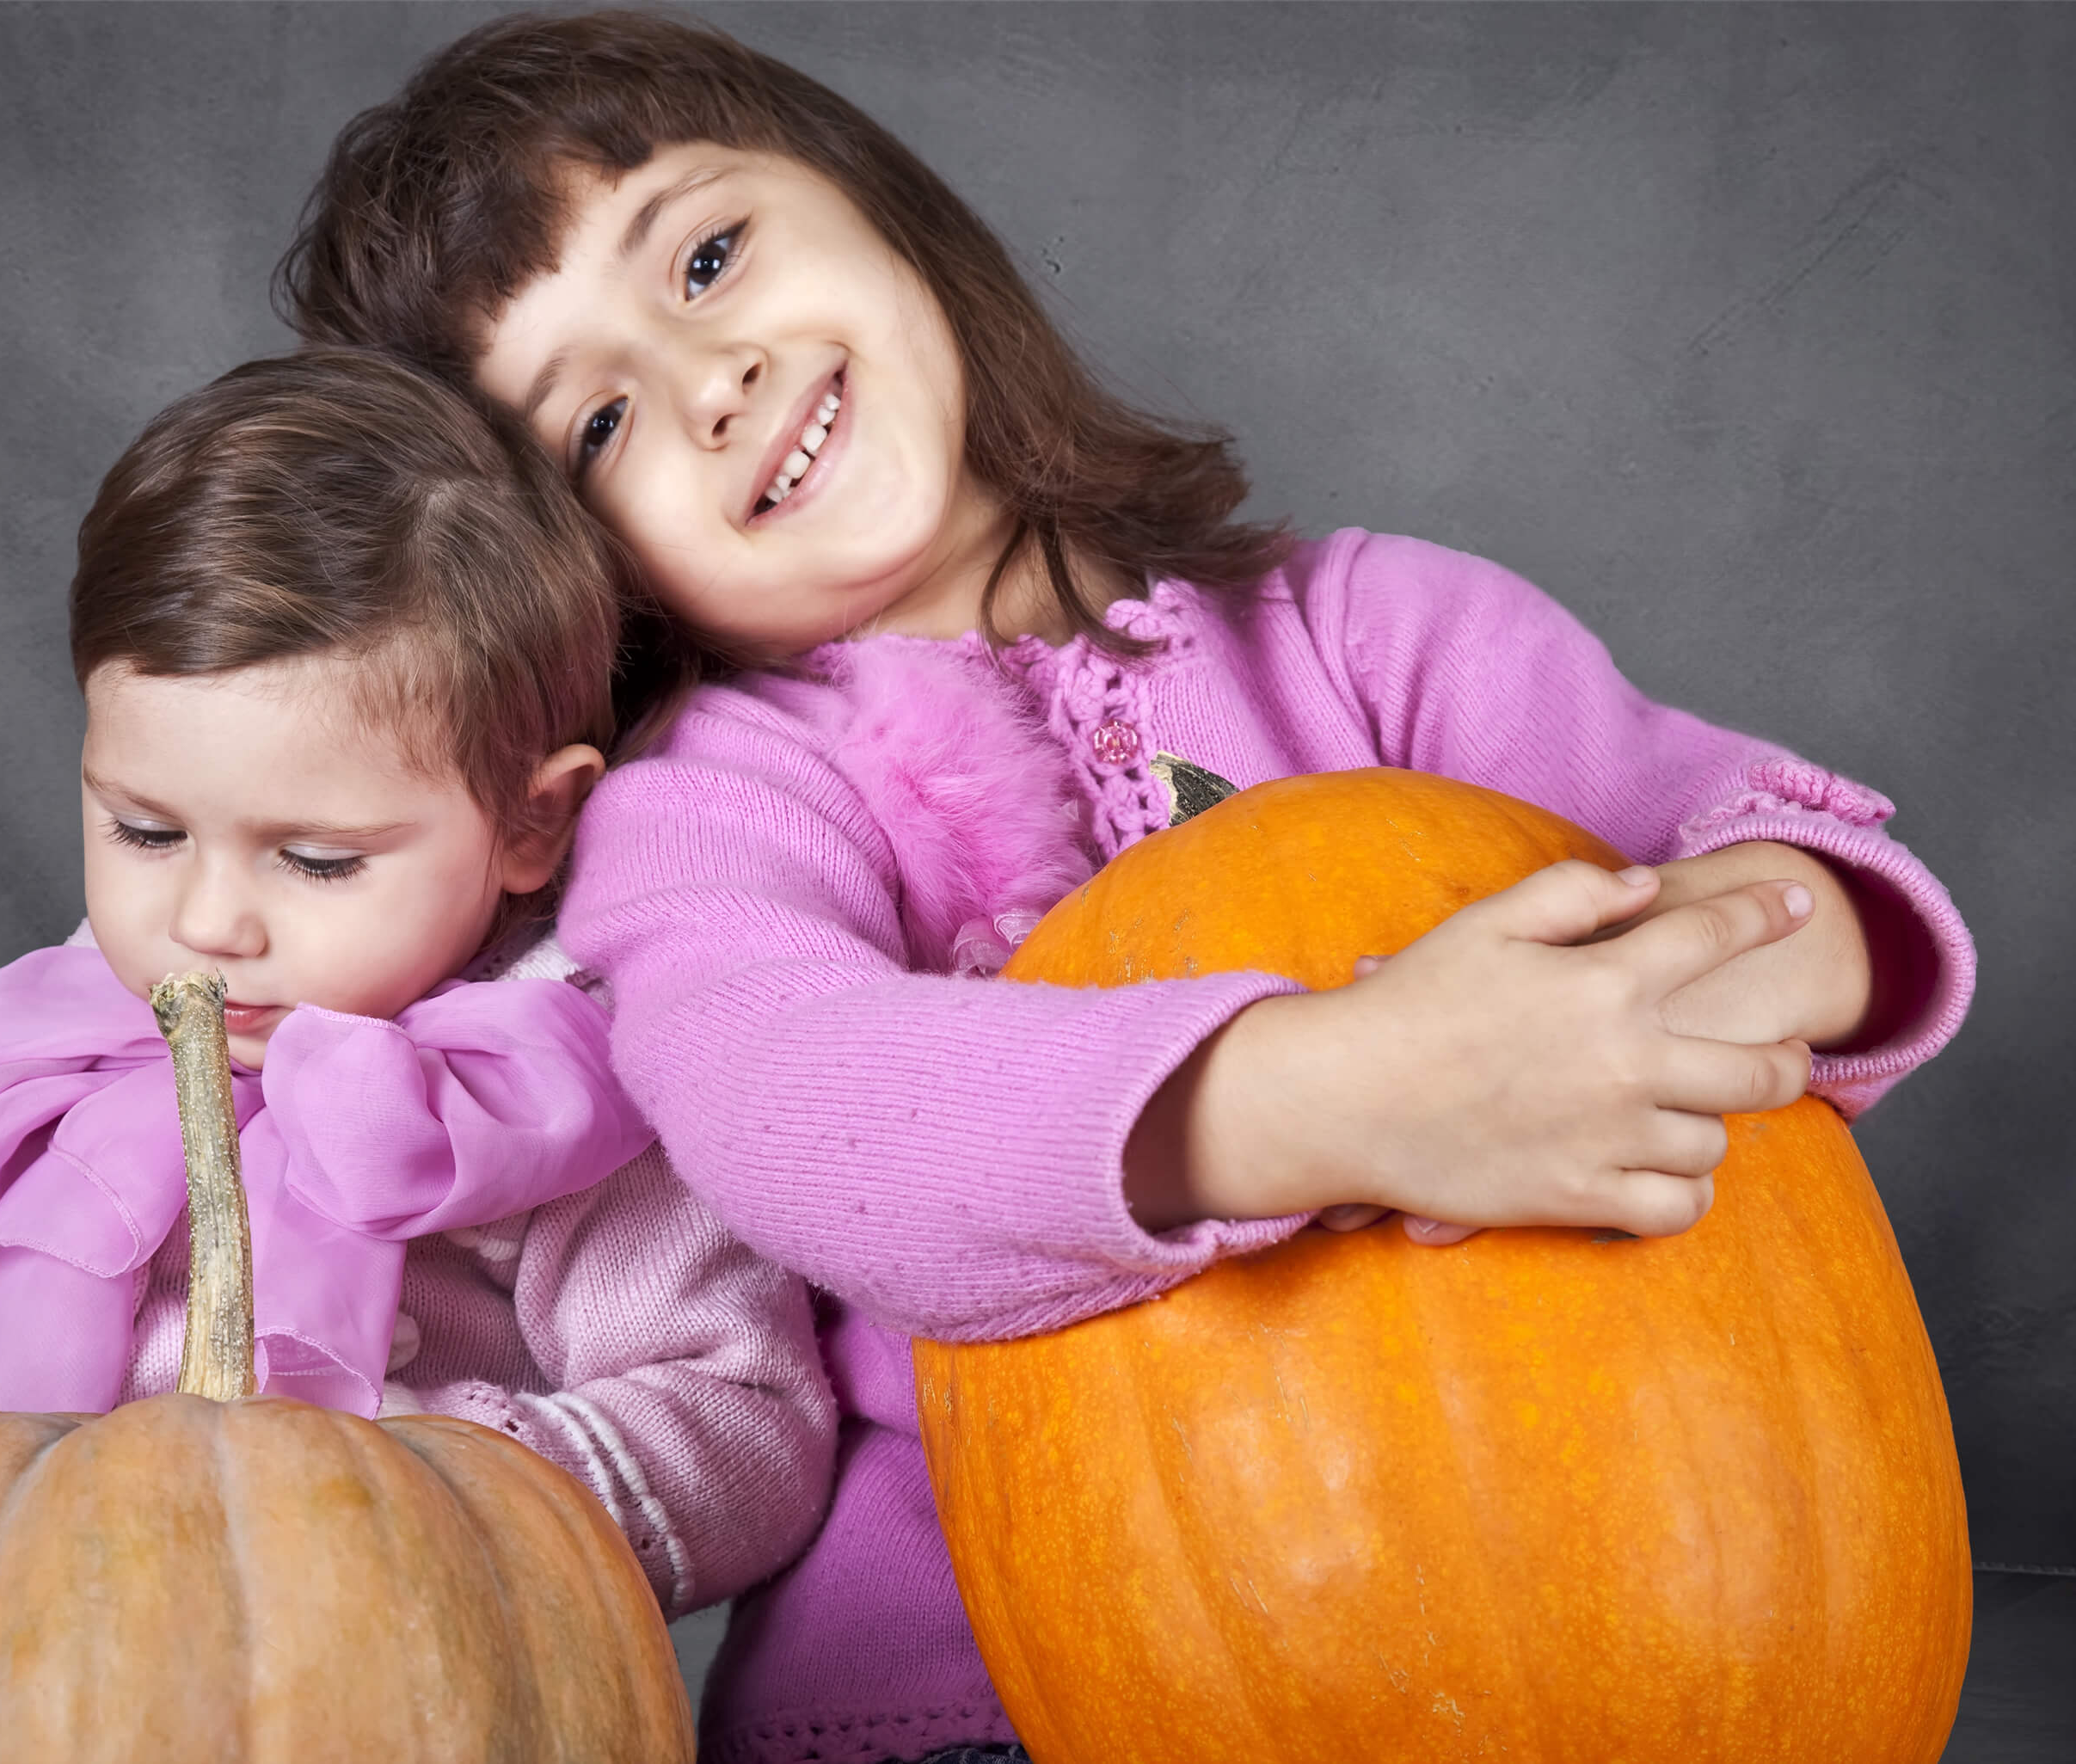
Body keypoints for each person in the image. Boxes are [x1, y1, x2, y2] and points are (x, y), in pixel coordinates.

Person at [279, 15, 1977, 1762]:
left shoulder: (1375, 633)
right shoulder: (715, 807)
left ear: (881, 211)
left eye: (707, 256)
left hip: (1604, 1590)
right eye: (601, 423)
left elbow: (1752, 847)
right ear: (586, 570)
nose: (708, 376)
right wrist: (1323, 1096)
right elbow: (784, 1102)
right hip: (972, 1693)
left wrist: (1730, 967)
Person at [0, 347, 835, 1620]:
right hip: (15, 1656)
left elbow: (745, 1431)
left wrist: (430, 1482)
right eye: (144, 831)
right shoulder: (41, 1038)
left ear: (532, 822)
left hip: (370, 1669)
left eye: (314, 860)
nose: (203, 923)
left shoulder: (545, 1098)